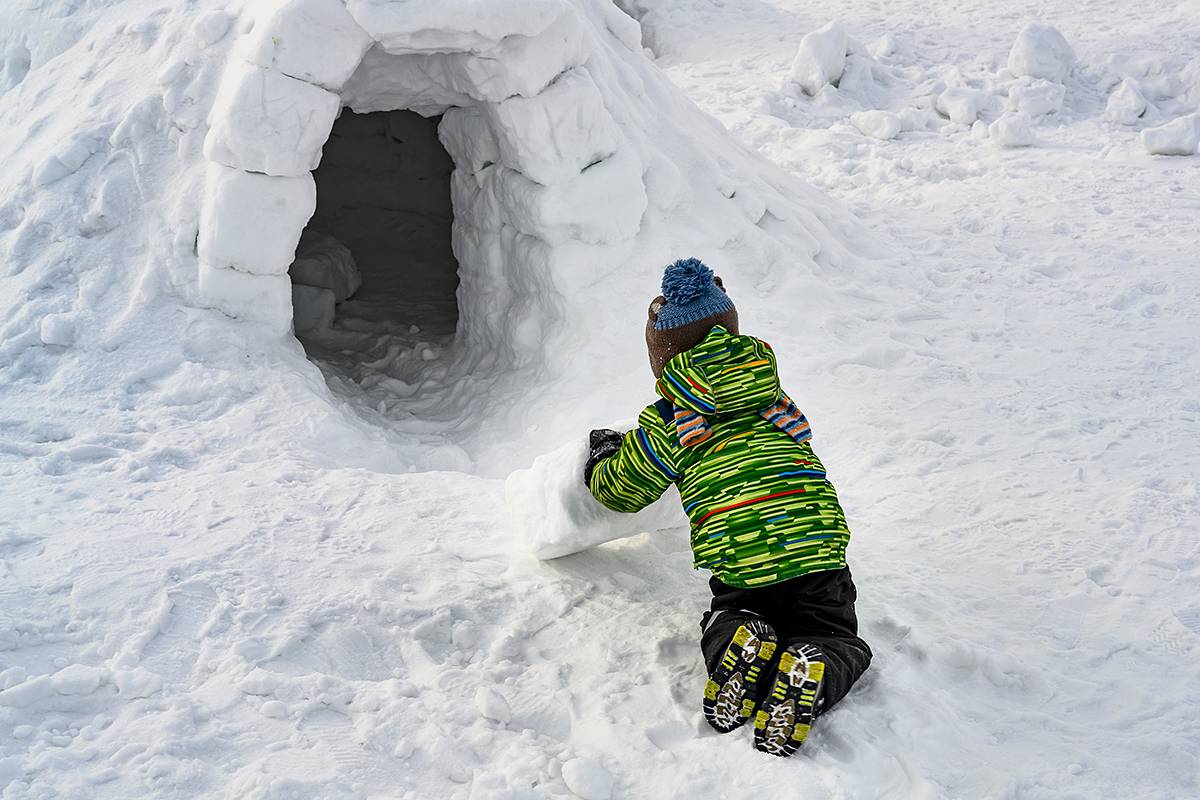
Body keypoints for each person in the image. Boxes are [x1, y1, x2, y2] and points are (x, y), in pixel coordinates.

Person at [583, 257, 871, 757]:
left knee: (732, 612)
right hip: (817, 548)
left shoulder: (673, 421)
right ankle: (816, 662)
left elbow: (622, 490)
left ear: (665, 359)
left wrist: (606, 456)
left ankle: (740, 637)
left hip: (741, 560)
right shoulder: (772, 399)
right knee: (833, 632)